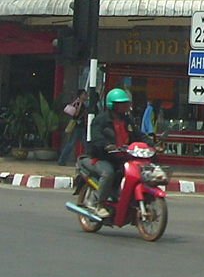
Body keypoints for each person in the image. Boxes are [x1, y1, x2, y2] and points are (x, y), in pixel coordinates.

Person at [85, 87, 146, 218]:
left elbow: (139, 135)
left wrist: (152, 144)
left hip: (122, 157)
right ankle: (99, 204)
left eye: (125, 103)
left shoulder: (127, 120)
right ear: (112, 105)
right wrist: (107, 146)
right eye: (121, 104)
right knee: (108, 173)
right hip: (102, 158)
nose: (125, 107)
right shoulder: (100, 120)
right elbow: (96, 138)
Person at [57, 89, 88, 166]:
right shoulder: (77, 103)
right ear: (80, 95)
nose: (85, 96)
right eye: (84, 94)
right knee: (71, 144)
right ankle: (62, 160)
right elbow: (75, 114)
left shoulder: (83, 103)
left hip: (82, 126)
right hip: (77, 127)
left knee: (85, 144)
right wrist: (80, 104)